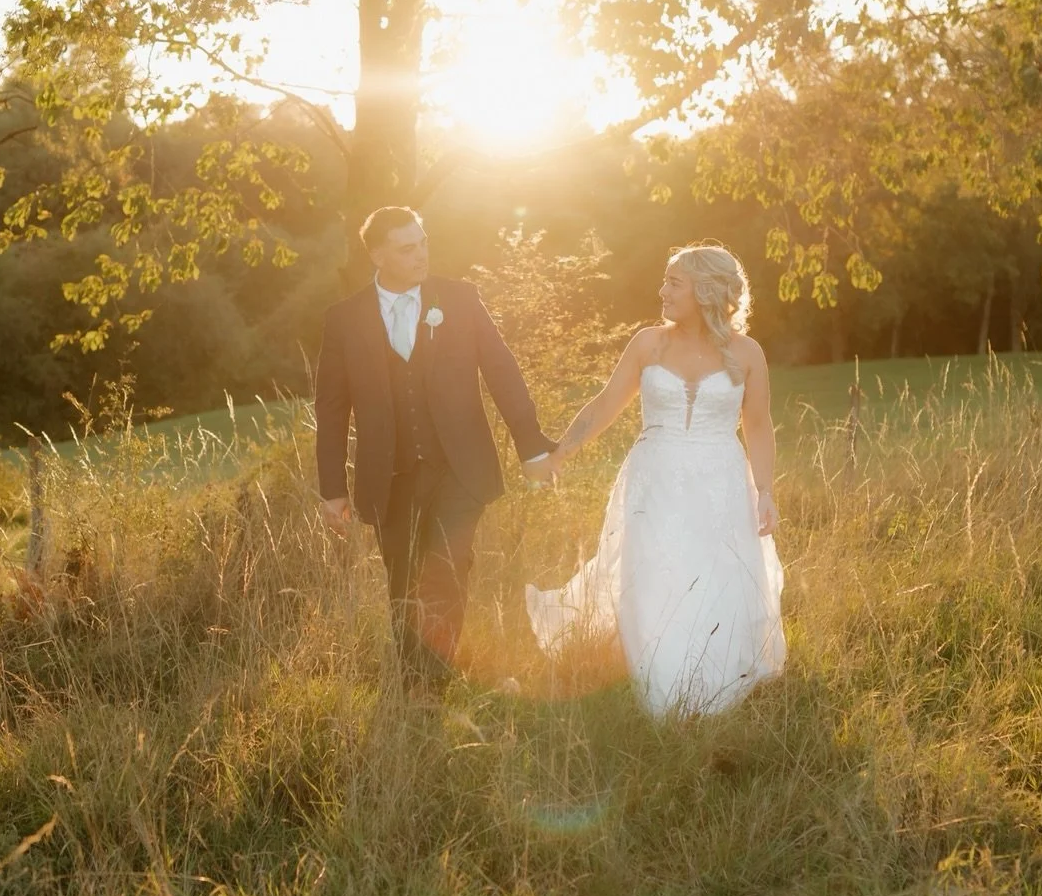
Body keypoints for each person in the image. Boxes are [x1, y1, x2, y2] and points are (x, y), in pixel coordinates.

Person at [526, 245, 785, 717]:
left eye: (673, 283)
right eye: (665, 281)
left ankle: (717, 682)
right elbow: (605, 404)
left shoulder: (748, 353)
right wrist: (561, 452)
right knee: (653, 575)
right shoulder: (648, 344)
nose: (661, 291)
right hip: (655, 478)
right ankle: (656, 683)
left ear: (705, 291)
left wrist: (765, 492)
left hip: (721, 482)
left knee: (716, 577)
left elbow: (760, 425)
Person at [316, 207, 557, 690]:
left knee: (446, 568)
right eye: (407, 248)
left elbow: (502, 372)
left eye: (423, 242)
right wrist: (332, 487)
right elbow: (332, 408)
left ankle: (434, 685)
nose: (421, 254)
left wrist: (531, 445)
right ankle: (413, 685)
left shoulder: (460, 299)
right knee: (403, 582)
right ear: (378, 254)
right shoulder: (343, 319)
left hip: (458, 467)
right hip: (389, 475)